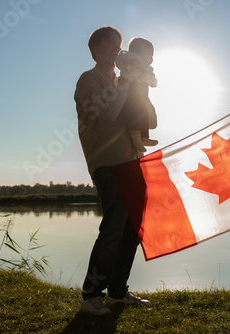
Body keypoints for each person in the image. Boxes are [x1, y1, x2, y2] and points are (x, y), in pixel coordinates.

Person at [74, 26, 150, 316]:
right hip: (108, 164)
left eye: (118, 44)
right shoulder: (89, 79)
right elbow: (109, 112)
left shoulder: (122, 79)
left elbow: (145, 115)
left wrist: (138, 83)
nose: (115, 49)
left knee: (131, 231)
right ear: (94, 50)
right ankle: (91, 296)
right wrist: (124, 84)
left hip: (130, 162)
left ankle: (118, 292)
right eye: (108, 45)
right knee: (113, 230)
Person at [116, 37, 158, 153]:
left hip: (142, 97)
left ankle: (144, 137)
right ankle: (136, 139)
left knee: (144, 115)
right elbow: (121, 63)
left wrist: (150, 78)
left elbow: (153, 82)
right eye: (149, 54)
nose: (151, 58)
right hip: (131, 95)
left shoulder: (147, 69)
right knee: (134, 114)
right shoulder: (131, 62)